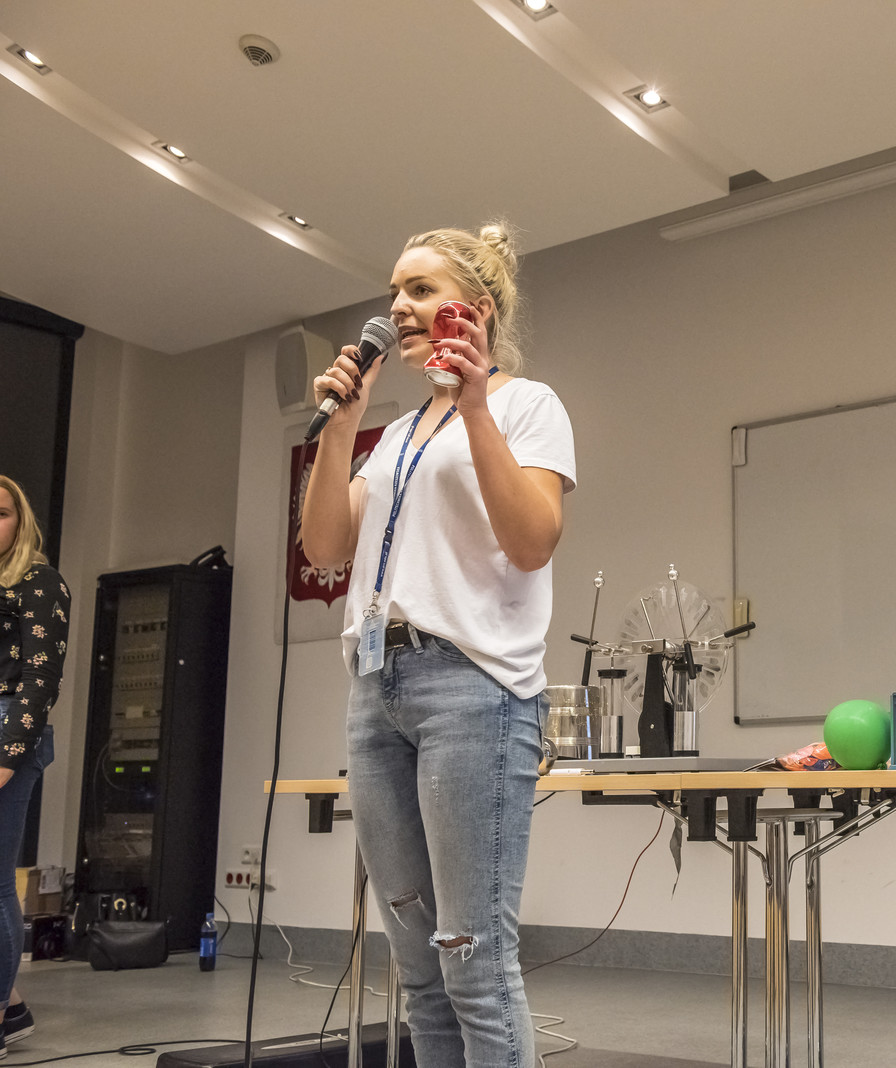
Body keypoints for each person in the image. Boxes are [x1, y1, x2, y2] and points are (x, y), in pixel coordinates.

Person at [300, 222, 574, 1067]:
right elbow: (324, 547)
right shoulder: (393, 437)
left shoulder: (528, 405)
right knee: (419, 971)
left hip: (472, 692)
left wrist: (477, 403)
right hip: (375, 690)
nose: (398, 307)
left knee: (473, 963)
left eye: (420, 290)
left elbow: (532, 541)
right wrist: (342, 427)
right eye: (394, 292)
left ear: (477, 309)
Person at [0, 476, 67, 1057]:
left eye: (0, 513)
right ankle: (14, 1005)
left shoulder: (38, 581)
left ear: (20, 521)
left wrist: (6, 757)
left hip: (8, 727)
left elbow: (40, 680)